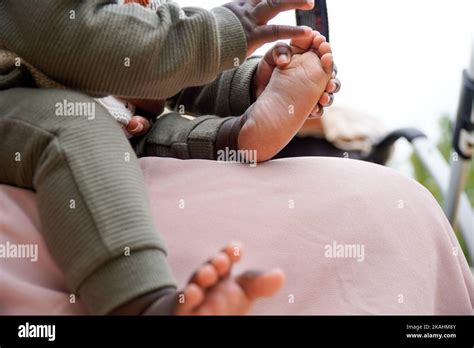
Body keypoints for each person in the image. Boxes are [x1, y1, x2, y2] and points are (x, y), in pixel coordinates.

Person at [0, 0, 336, 315]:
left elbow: (165, 55)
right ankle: (141, 303)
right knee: (78, 126)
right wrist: (229, 29)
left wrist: (248, 82)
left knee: (156, 131)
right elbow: (84, 39)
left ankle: (241, 130)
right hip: (16, 99)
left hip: (122, 117)